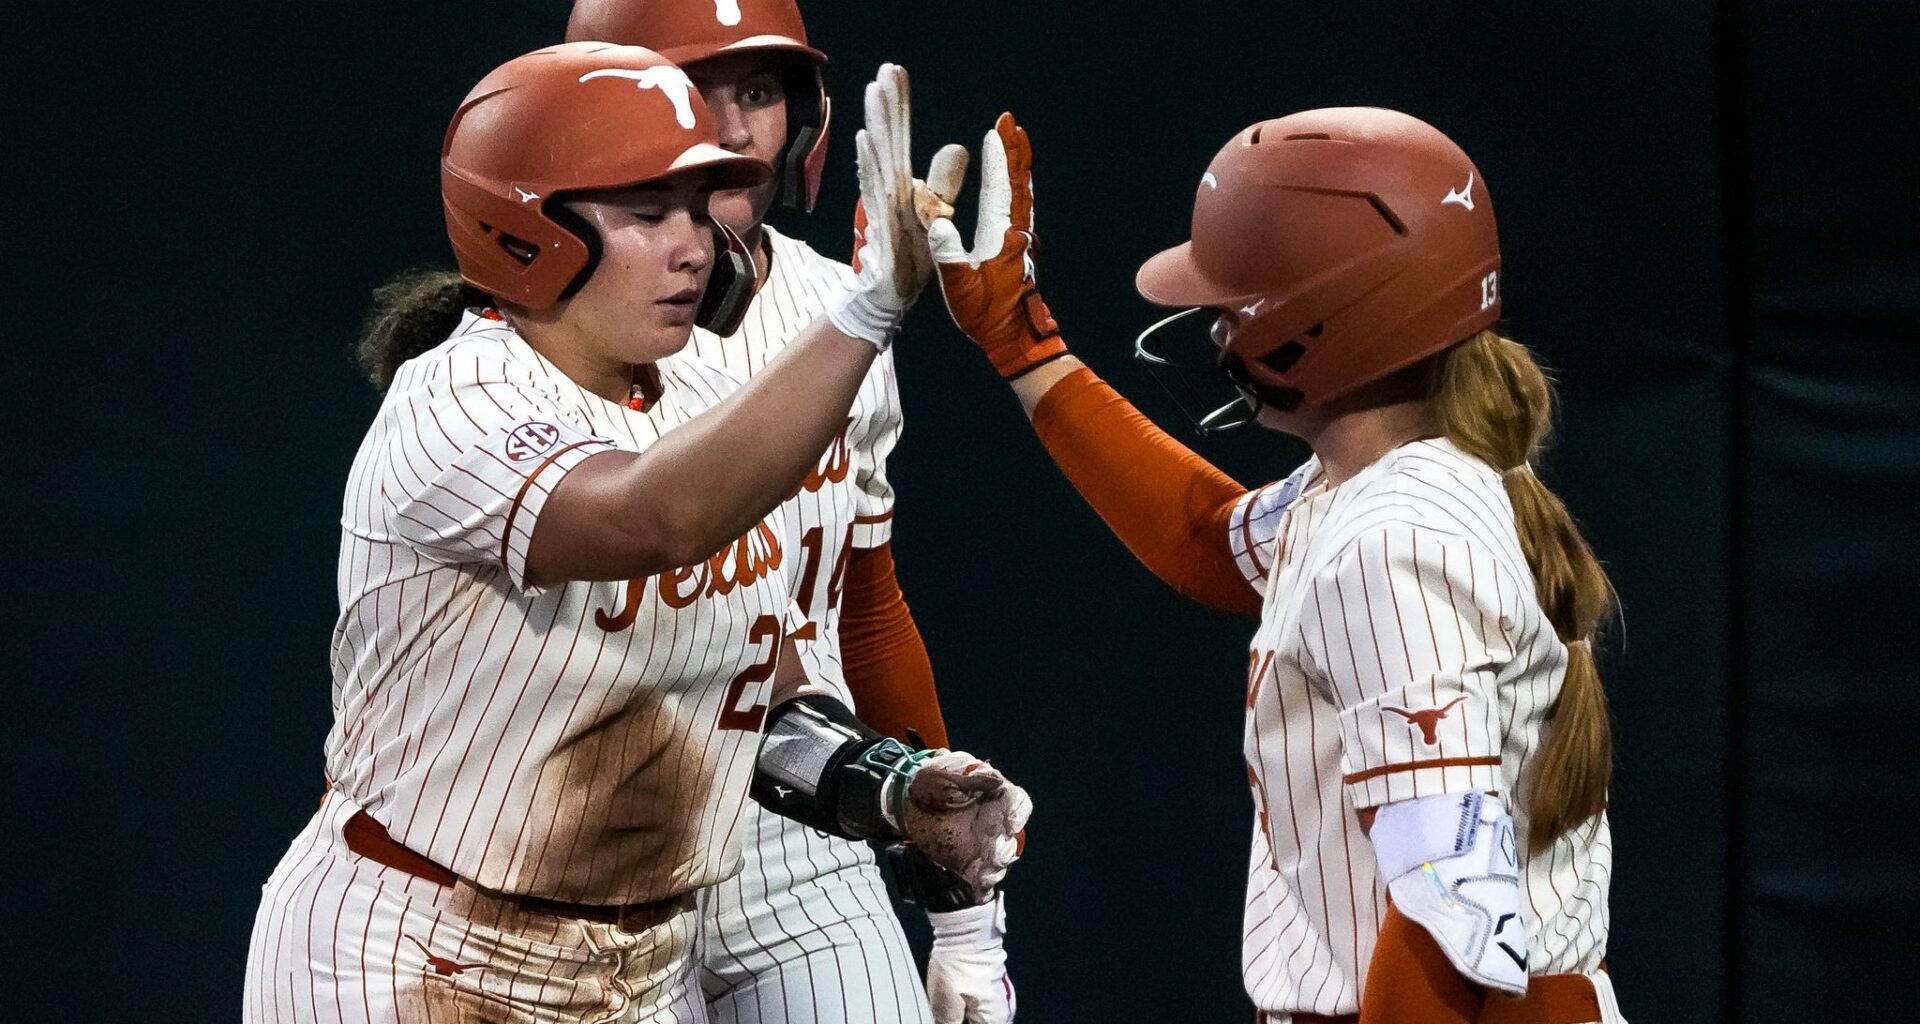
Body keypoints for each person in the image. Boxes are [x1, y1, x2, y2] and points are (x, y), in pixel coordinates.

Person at [242, 43, 1027, 1024]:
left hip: (639, 970)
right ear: (526, 231)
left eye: (698, 208)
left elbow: (766, 708)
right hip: (413, 951)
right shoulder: (455, 397)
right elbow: (650, 517)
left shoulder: (699, 398)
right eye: (648, 212)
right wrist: (865, 315)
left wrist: (893, 787)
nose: (694, 245)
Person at [926, 109, 1623, 1023]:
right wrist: (1024, 348)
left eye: (1234, 304)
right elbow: (1208, 540)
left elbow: (1449, 913)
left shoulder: (1395, 538)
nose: (1215, 327)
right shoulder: (1406, 472)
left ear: (1327, 318)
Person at [561, 4, 1013, 1023]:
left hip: (805, 813)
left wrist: (963, 910)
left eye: (759, 92)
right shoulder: (531, 344)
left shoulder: (841, 304)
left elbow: (865, 613)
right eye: (693, 89)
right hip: (585, 836)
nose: (732, 130)